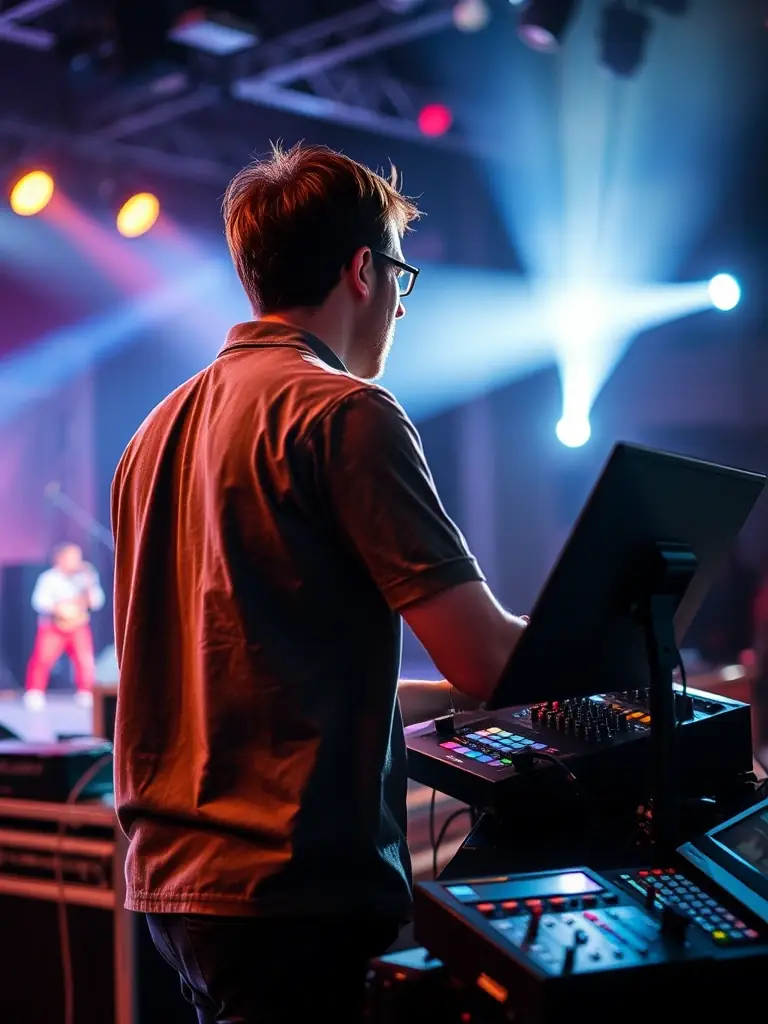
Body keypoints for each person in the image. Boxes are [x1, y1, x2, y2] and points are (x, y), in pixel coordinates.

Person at [111, 142, 527, 1024]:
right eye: (401, 277)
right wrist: (612, 638)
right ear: (363, 271)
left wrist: (434, 702)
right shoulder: (346, 411)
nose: (401, 307)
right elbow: (487, 658)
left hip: (177, 888)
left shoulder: (152, 434)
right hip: (294, 894)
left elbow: (256, 678)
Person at [24, 542, 105, 711]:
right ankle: (35, 692)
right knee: (43, 659)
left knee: (84, 660)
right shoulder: (49, 578)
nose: (76, 561)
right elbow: (39, 601)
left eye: (78, 557)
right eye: (71, 557)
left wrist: (89, 585)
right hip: (53, 626)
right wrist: (59, 609)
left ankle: (85, 692)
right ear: (60, 559)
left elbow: (98, 601)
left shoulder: (87, 577)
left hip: (78, 625)